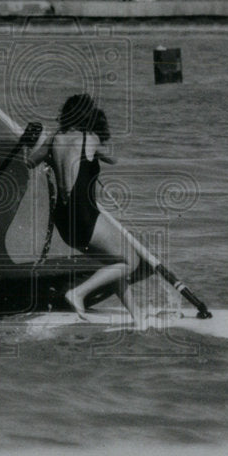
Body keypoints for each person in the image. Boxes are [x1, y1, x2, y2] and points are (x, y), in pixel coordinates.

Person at [26, 94, 145, 328]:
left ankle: (137, 317)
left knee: (114, 263)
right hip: (84, 214)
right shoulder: (89, 138)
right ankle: (77, 294)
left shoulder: (53, 139)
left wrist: (45, 151)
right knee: (131, 262)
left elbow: (29, 162)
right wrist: (100, 128)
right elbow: (114, 158)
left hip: (63, 219)